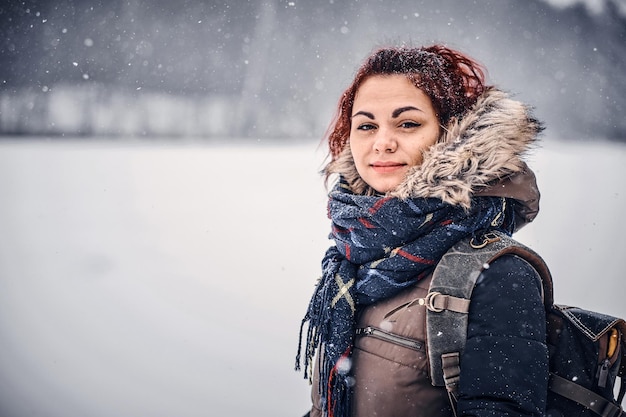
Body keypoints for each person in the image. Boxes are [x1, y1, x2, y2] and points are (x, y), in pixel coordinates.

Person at [295, 44, 549, 417]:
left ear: (452, 136)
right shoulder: (354, 253)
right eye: (366, 125)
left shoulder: (498, 276)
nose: (382, 142)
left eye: (408, 123)